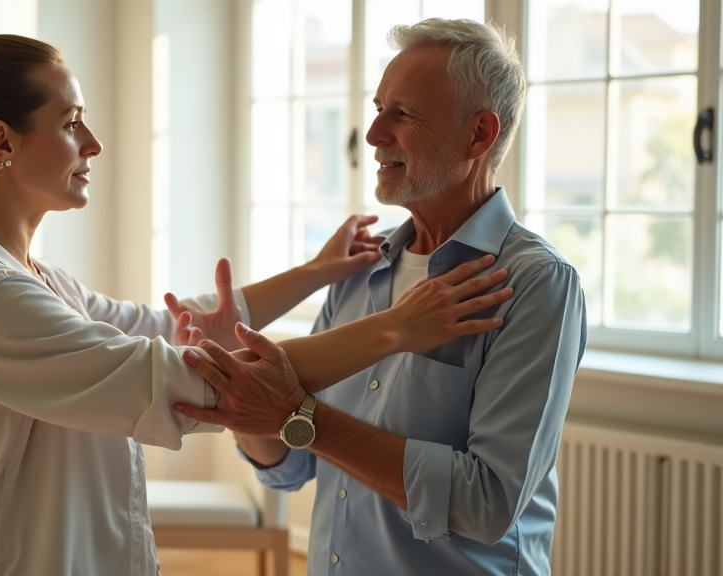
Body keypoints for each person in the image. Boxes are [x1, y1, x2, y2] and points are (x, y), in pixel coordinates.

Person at [0, 34, 513, 576]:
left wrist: (315, 273)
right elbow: (180, 382)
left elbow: (161, 327)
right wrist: (394, 330)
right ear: (2, 143)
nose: (92, 143)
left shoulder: (31, 281)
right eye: (71, 124)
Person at [176, 18, 587, 576]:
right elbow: (291, 466)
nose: (372, 134)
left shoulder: (535, 285)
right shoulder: (357, 271)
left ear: (479, 134)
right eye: (377, 108)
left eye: (404, 113)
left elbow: (486, 502)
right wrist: (245, 396)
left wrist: (298, 413)